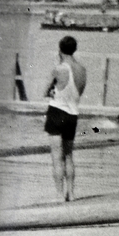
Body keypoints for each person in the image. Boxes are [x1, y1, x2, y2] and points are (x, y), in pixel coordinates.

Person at [43, 35, 87, 202]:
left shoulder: (59, 68)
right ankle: (72, 193)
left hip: (57, 111)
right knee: (69, 155)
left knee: (56, 156)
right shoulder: (82, 70)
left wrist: (53, 91)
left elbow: (46, 91)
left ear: (60, 50)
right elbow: (78, 92)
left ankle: (59, 195)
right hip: (73, 114)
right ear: (74, 50)